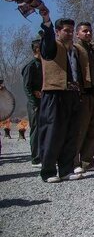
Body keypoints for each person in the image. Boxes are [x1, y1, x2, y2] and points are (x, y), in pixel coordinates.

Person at [37, 7, 90, 182]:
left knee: (71, 133)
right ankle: (49, 172)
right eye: (65, 30)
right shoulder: (51, 45)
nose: (69, 34)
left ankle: (66, 170)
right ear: (57, 31)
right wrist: (46, 20)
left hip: (72, 95)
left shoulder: (74, 50)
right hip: (54, 94)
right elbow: (47, 44)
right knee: (53, 133)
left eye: (71, 31)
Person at [73, 22, 94, 173]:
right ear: (77, 34)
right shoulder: (74, 49)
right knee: (80, 129)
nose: (88, 34)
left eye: (90, 31)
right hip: (81, 94)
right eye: (85, 31)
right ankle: (73, 162)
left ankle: (87, 160)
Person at [21, 38, 43, 166]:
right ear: (37, 49)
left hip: (44, 101)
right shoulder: (30, 66)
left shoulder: (43, 64)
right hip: (34, 103)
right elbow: (27, 87)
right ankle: (36, 157)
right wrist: (34, 103)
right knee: (36, 129)